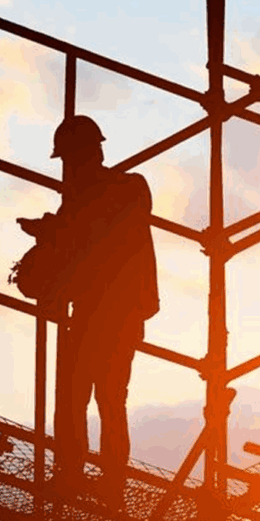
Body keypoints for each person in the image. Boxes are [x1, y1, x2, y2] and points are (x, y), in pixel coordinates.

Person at [19, 115, 158, 486]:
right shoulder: (83, 200)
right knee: (78, 401)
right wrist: (50, 233)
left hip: (115, 313)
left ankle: (104, 482)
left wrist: (55, 230)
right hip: (91, 313)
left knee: (105, 401)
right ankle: (74, 476)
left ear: (89, 154)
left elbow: (102, 237)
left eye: (68, 161)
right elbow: (76, 243)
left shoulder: (127, 188)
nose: (66, 170)